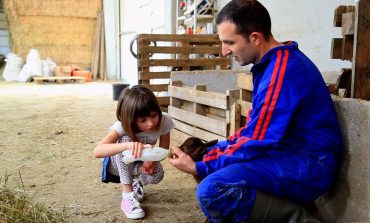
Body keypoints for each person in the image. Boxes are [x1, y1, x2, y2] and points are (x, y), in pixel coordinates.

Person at [168, 0, 343, 222]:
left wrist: (202, 165)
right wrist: (210, 153)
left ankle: (300, 219)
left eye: (229, 42)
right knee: (217, 160)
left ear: (255, 38)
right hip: (287, 152)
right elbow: (255, 128)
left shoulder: (282, 71)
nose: (224, 52)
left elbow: (257, 139)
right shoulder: (270, 65)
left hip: (309, 164)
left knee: (212, 189)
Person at [93, 85, 175, 220]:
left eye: (154, 115)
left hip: (140, 161)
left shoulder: (164, 121)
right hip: (116, 166)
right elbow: (97, 151)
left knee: (157, 175)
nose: (150, 123)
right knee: (123, 140)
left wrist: (151, 161)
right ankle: (127, 196)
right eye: (143, 120)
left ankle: (136, 182)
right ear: (131, 119)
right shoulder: (122, 127)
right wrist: (128, 145)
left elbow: (163, 147)